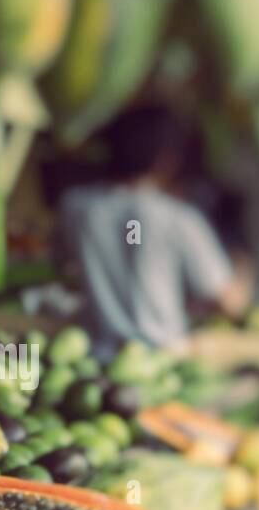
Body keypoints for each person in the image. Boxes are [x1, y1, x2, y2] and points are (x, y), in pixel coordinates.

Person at [54, 106, 247, 358]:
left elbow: (64, 272)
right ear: (167, 159)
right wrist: (243, 268)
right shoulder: (177, 217)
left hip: (93, 362)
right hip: (161, 364)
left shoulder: (74, 207)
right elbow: (229, 301)